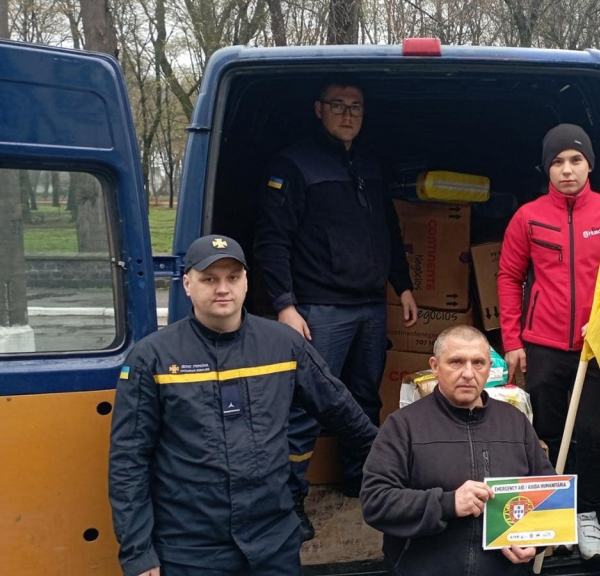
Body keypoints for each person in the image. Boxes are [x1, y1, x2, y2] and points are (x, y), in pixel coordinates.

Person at [108, 235, 379, 576]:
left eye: (233, 278)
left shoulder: (283, 345)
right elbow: (128, 460)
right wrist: (139, 554)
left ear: (247, 282)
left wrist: (407, 467)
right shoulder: (153, 357)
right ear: (187, 284)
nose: (223, 288)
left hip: (273, 542)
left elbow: (343, 413)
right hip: (190, 549)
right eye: (209, 279)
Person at [253, 78, 418, 536]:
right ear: (318, 109)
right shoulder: (294, 163)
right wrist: (286, 305)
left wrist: (401, 285)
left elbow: (387, 228)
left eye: (357, 107)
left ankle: (364, 483)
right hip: (319, 308)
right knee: (305, 410)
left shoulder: (368, 164)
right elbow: (272, 240)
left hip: (369, 306)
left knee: (364, 400)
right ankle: (287, 504)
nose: (348, 115)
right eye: (339, 106)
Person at [496, 123, 600, 559]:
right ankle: (550, 517)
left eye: (575, 160)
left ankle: (587, 516)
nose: (567, 169)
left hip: (595, 348)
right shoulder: (527, 216)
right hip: (542, 346)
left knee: (592, 432)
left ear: (589, 166)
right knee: (545, 431)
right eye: (558, 162)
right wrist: (513, 341)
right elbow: (508, 277)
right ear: (547, 168)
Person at [360, 325, 554, 576]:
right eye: (456, 362)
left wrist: (535, 544)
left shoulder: (514, 421)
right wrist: (447, 503)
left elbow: (547, 495)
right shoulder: (403, 425)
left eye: (478, 363)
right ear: (435, 366)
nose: (468, 373)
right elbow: (376, 502)